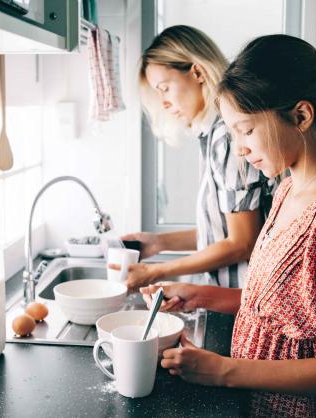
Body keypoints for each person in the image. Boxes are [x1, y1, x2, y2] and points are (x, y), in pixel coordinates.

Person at [141, 34, 316, 417]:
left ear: (301, 116)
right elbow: (282, 313)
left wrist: (223, 371)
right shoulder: (288, 189)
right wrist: (198, 296)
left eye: (247, 130)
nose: (238, 148)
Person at [111, 25, 275, 292]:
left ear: (197, 72)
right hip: (230, 298)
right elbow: (222, 233)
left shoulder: (227, 136)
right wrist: (158, 242)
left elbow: (243, 242)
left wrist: (157, 271)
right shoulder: (211, 137)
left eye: (164, 88)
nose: (162, 102)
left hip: (245, 302)